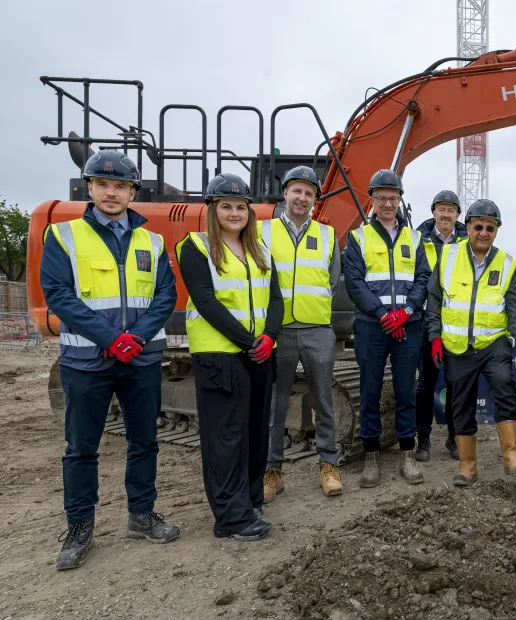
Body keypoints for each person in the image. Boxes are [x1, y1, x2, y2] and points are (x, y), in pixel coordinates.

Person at [41, 151, 179, 570]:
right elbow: (59, 294)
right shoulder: (64, 236)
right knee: (81, 448)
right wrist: (108, 338)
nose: (112, 192)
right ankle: (80, 526)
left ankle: (141, 515)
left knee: (145, 441)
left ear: (133, 191)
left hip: (139, 360)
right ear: (90, 188)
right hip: (86, 362)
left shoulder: (151, 241)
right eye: (103, 184)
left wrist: (134, 338)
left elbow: (164, 296)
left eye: (121, 186)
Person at [176, 173, 284, 541]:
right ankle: (230, 518)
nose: (235, 213)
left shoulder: (260, 250)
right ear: (212, 209)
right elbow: (205, 301)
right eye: (226, 206)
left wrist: (269, 336)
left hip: (258, 352)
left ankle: (251, 499)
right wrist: (248, 340)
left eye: (241, 207)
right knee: (226, 436)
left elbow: (275, 299)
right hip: (219, 354)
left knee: (254, 431)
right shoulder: (196, 247)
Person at [427, 200, 516, 485]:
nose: (484, 232)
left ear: (497, 231)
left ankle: (512, 456)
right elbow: (434, 301)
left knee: (504, 384)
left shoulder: (507, 264)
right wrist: (434, 337)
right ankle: (467, 465)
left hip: (493, 343)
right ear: (468, 228)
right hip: (456, 346)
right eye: (478, 226)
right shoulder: (448, 257)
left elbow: (515, 309)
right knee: (460, 402)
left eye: (491, 227)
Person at [343, 169, 431, 488]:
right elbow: (353, 281)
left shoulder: (415, 238)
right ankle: (371, 457)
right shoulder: (358, 237)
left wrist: (406, 312)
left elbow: (424, 279)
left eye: (393, 198)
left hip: (408, 326)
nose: (388, 204)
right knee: (370, 391)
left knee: (406, 390)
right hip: (372, 326)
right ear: (372, 201)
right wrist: (382, 313)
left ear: (400, 200)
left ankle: (407, 455)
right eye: (381, 198)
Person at [260, 166, 343, 500]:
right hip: (277, 331)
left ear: (314, 200)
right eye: (297, 191)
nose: (302, 197)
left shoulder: (326, 235)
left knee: (324, 401)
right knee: (275, 403)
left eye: (308, 193)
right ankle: (272, 470)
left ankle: (328, 464)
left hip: (317, 330)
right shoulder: (263, 232)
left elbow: (333, 282)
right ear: (285, 194)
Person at [415, 190, 467, 462]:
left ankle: (454, 438)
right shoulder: (417, 239)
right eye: (441, 209)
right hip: (426, 323)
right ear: (433, 211)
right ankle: (423, 439)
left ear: (457, 214)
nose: (446, 215)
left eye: (451, 210)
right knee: (425, 386)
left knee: (456, 385)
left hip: (456, 324)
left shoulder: (468, 241)